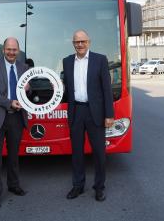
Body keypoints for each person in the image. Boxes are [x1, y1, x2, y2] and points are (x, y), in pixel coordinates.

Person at [62, 29, 114, 202]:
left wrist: (109, 114)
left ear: (89, 42)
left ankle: (99, 187)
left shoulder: (100, 60)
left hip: (96, 112)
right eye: (77, 42)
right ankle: (78, 186)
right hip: (76, 111)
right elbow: (67, 89)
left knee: (99, 152)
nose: (80, 44)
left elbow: (107, 89)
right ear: (73, 44)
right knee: (77, 152)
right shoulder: (67, 61)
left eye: (83, 41)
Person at [0, 37, 29, 210]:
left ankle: (13, 185)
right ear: (3, 50)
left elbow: (25, 90)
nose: (11, 52)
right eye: (8, 49)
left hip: (16, 117)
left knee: (14, 155)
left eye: (14, 50)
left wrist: (28, 88)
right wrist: (9, 103)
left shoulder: (24, 68)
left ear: (18, 51)